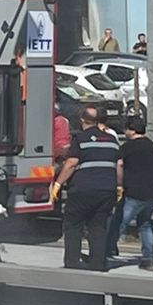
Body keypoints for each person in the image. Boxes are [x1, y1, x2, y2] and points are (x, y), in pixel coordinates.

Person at [54, 105, 121, 271]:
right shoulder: (112, 140)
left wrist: (57, 183)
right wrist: (119, 186)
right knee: (98, 227)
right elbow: (119, 164)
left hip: (83, 189)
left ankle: (72, 262)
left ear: (82, 120)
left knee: (73, 225)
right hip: (107, 190)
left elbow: (71, 163)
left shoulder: (80, 139)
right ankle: (98, 264)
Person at [117, 116, 153, 271]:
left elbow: (120, 164)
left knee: (119, 223)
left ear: (131, 130)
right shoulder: (150, 145)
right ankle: (148, 258)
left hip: (135, 192)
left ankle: (103, 251)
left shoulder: (128, 146)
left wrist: (119, 184)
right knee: (145, 224)